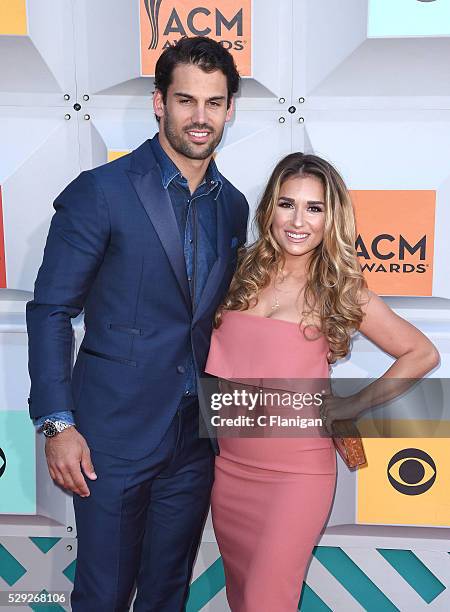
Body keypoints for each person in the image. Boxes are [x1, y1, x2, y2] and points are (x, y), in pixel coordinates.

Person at [26, 36, 249, 611]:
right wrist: (57, 424)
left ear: (230, 109)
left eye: (215, 103)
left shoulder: (234, 205)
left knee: (167, 591)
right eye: (185, 100)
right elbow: (51, 310)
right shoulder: (100, 192)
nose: (200, 118)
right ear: (158, 103)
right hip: (111, 438)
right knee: (104, 594)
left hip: (193, 438)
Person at [204, 152, 440, 611]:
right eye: (287, 203)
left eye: (314, 208)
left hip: (296, 475)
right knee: (242, 597)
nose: (298, 221)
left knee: (265, 602)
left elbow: (421, 353)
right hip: (228, 469)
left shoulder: (340, 289)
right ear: (269, 207)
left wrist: (352, 406)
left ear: (332, 218)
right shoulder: (237, 274)